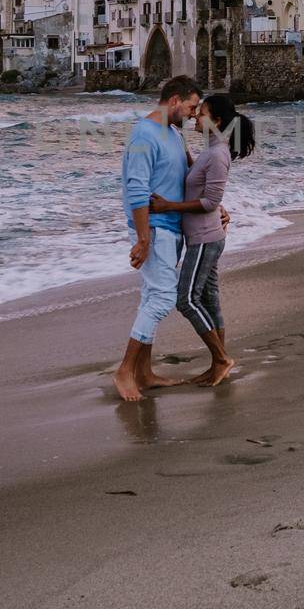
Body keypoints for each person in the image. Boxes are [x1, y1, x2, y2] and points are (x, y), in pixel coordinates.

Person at [150, 93, 256, 386]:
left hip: (205, 238)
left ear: (217, 121)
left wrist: (168, 206)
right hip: (206, 236)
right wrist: (183, 153)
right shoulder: (212, 150)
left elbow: (210, 201)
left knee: (185, 300)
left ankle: (221, 359)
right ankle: (218, 364)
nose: (196, 116)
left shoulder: (218, 154)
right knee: (209, 299)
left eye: (202, 112)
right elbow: (202, 181)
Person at [114, 75, 201, 402]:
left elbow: (190, 177)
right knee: (164, 298)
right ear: (175, 100)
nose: (193, 114)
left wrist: (217, 207)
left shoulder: (174, 134)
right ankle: (125, 370)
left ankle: (145, 373)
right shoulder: (142, 135)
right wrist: (143, 238)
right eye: (191, 106)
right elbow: (136, 189)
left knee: (152, 296)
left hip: (171, 227)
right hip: (154, 228)